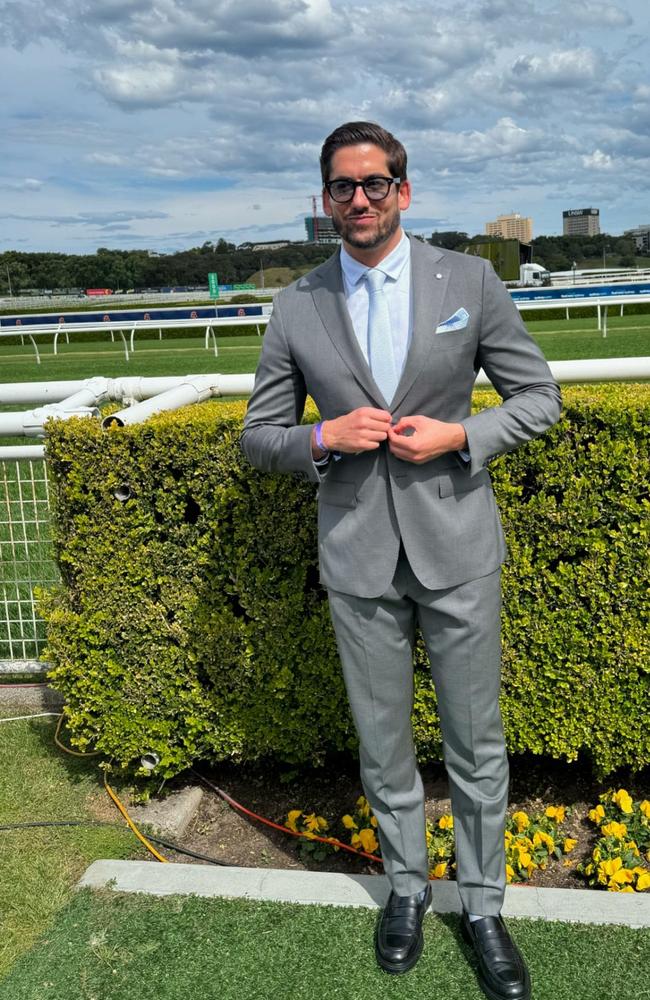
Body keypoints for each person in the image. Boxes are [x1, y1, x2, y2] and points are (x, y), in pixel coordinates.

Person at [240, 121, 561, 1000]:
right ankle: (409, 890)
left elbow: (539, 399)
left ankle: (485, 904)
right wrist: (320, 435)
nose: (359, 200)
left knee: (475, 742)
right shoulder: (297, 303)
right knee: (384, 750)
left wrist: (464, 432)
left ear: (403, 192)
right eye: (341, 187)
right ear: (325, 200)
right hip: (357, 557)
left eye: (374, 184)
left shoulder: (472, 280)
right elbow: (257, 437)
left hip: (457, 548)